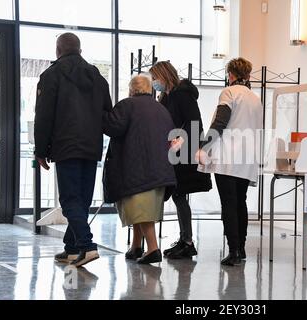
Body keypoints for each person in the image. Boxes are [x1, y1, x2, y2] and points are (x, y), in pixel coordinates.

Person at [34, 32, 112, 267]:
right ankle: (71, 248)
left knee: (69, 200)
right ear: (80, 50)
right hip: (91, 146)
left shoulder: (51, 75)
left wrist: (40, 149)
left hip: (66, 145)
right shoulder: (97, 76)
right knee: (82, 200)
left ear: (58, 50)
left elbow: (44, 116)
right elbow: (107, 113)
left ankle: (87, 246)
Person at [103, 75, 176, 264]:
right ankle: (136, 246)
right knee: (141, 209)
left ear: (132, 89)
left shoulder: (127, 105)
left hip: (136, 167)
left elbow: (112, 127)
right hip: (160, 167)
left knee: (141, 210)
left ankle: (153, 248)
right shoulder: (161, 109)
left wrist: (101, 113)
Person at [196, 58, 263, 266]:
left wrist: (204, 147)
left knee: (228, 204)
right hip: (247, 158)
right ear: (248, 75)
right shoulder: (255, 98)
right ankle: (241, 248)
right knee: (240, 202)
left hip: (227, 158)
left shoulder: (229, 93)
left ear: (230, 75)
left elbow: (220, 123)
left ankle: (232, 250)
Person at [149, 61, 212, 259]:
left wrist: (179, 141)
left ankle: (187, 241)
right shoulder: (168, 96)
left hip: (183, 152)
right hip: (176, 151)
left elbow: (194, 123)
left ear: (164, 76)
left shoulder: (182, 95)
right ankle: (185, 239)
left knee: (179, 194)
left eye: (155, 78)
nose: (154, 82)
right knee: (178, 195)